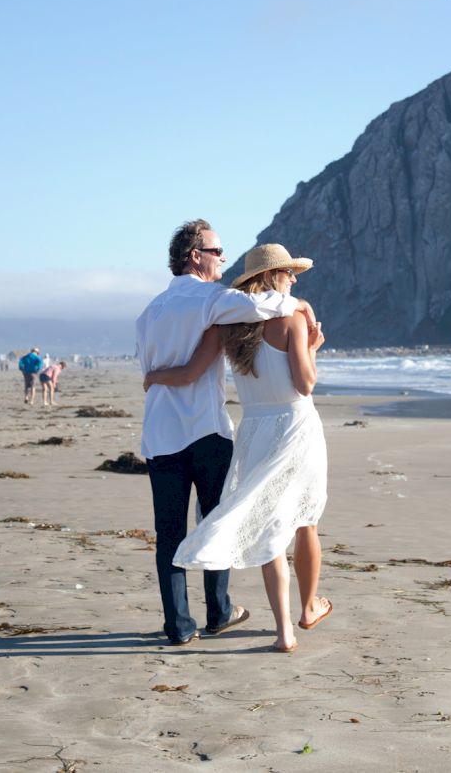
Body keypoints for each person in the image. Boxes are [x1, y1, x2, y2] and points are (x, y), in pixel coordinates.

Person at [145, 243, 330, 654]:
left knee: (268, 527)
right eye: (289, 273)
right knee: (305, 520)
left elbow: (192, 372)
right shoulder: (293, 319)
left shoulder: (228, 326)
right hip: (296, 426)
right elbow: (305, 384)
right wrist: (313, 348)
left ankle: (285, 633)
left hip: (255, 430)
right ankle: (309, 607)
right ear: (273, 278)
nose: (294, 279)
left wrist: (154, 375)